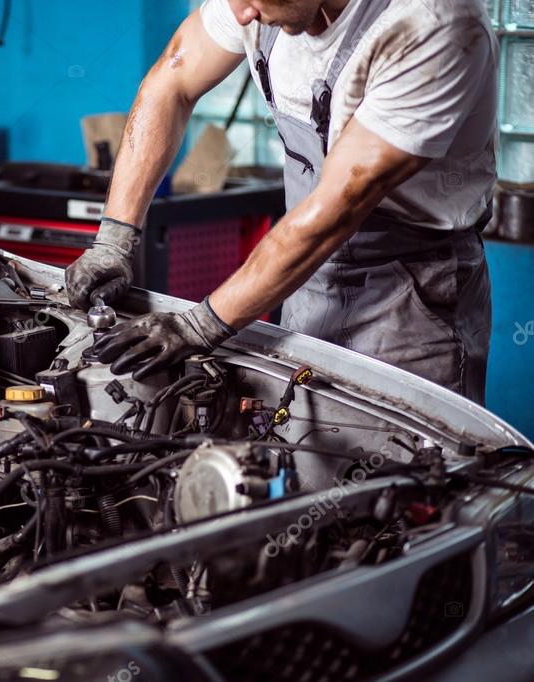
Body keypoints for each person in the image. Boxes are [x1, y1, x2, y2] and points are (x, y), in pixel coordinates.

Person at [66, 0, 497, 404]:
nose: (242, 12)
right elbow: (172, 80)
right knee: (297, 448)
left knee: (403, 470)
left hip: (409, 299)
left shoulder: (432, 24)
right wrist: (113, 241)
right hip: (302, 278)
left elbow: (338, 207)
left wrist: (199, 326)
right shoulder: (254, 6)